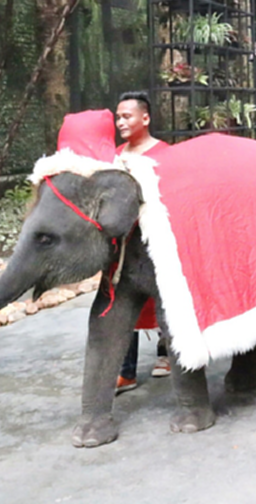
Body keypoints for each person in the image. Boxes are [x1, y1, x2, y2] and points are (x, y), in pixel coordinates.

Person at [114, 91, 171, 394]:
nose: (120, 121)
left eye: (127, 116)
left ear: (145, 118)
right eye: (118, 117)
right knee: (123, 304)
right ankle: (125, 372)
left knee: (163, 299)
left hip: (157, 241)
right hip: (123, 245)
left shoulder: (165, 154)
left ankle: (167, 354)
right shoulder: (117, 157)